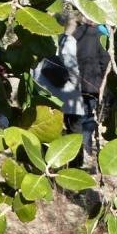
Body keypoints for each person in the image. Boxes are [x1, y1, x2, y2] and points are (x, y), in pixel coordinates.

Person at [35, 14, 82, 151]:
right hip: (67, 95)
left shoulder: (37, 41)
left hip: (44, 94)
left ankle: (45, 161)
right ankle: (74, 166)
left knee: (45, 130)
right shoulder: (67, 41)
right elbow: (72, 67)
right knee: (74, 131)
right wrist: (76, 84)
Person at [72, 20, 108, 167]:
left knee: (76, 119)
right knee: (87, 118)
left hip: (74, 85)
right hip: (92, 85)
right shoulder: (101, 37)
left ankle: (76, 154)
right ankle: (86, 150)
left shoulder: (75, 35)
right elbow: (105, 62)